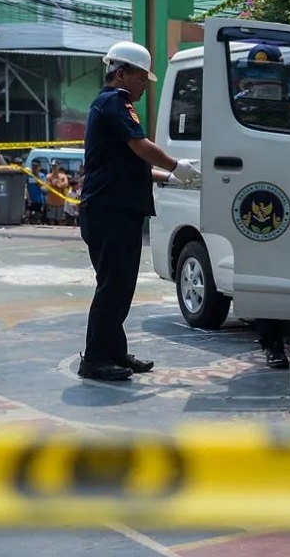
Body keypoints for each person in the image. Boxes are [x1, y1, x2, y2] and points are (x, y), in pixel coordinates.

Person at [77, 40, 200, 382]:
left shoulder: (109, 106)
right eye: (142, 77)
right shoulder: (116, 102)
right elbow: (140, 147)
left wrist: (173, 177)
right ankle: (97, 360)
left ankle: (113, 352)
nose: (144, 84)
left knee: (118, 287)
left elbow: (133, 165)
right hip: (110, 212)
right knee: (113, 287)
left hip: (114, 211)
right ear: (122, 73)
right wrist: (176, 165)